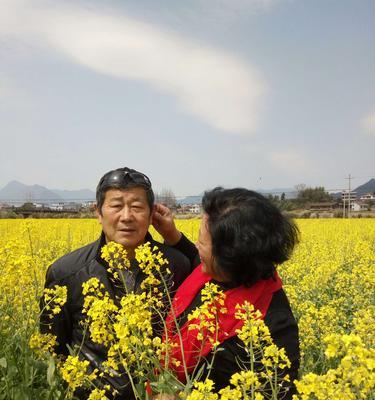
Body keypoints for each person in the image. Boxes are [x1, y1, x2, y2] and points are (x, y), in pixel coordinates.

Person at [40, 167, 192, 398]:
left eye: (137, 206)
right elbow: (54, 347)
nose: (127, 216)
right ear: (98, 213)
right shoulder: (66, 273)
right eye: (116, 205)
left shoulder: (177, 266)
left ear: (152, 215)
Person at [153, 187, 300, 399]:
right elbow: (197, 258)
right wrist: (172, 235)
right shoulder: (225, 272)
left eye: (202, 241)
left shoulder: (274, 329)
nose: (197, 245)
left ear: (230, 255)